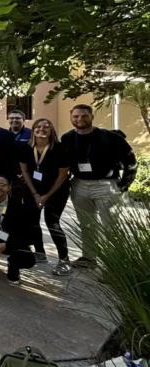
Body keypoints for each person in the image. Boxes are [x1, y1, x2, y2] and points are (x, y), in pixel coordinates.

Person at [60, 104, 137, 269]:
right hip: (79, 184)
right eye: (76, 116)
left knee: (112, 227)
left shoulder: (110, 137)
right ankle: (89, 258)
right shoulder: (67, 138)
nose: (80, 119)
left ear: (91, 116)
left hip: (106, 185)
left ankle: (116, 266)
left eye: (84, 116)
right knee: (87, 225)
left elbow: (130, 161)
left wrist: (124, 185)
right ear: (71, 117)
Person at [19, 118, 71, 274]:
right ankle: (40, 252)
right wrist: (35, 193)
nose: (42, 129)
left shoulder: (61, 149)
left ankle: (64, 259)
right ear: (33, 130)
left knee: (52, 223)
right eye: (38, 127)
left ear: (51, 130)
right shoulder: (26, 148)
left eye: (46, 127)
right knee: (32, 222)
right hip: (32, 190)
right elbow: (25, 172)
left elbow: (62, 176)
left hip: (56, 192)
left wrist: (46, 196)